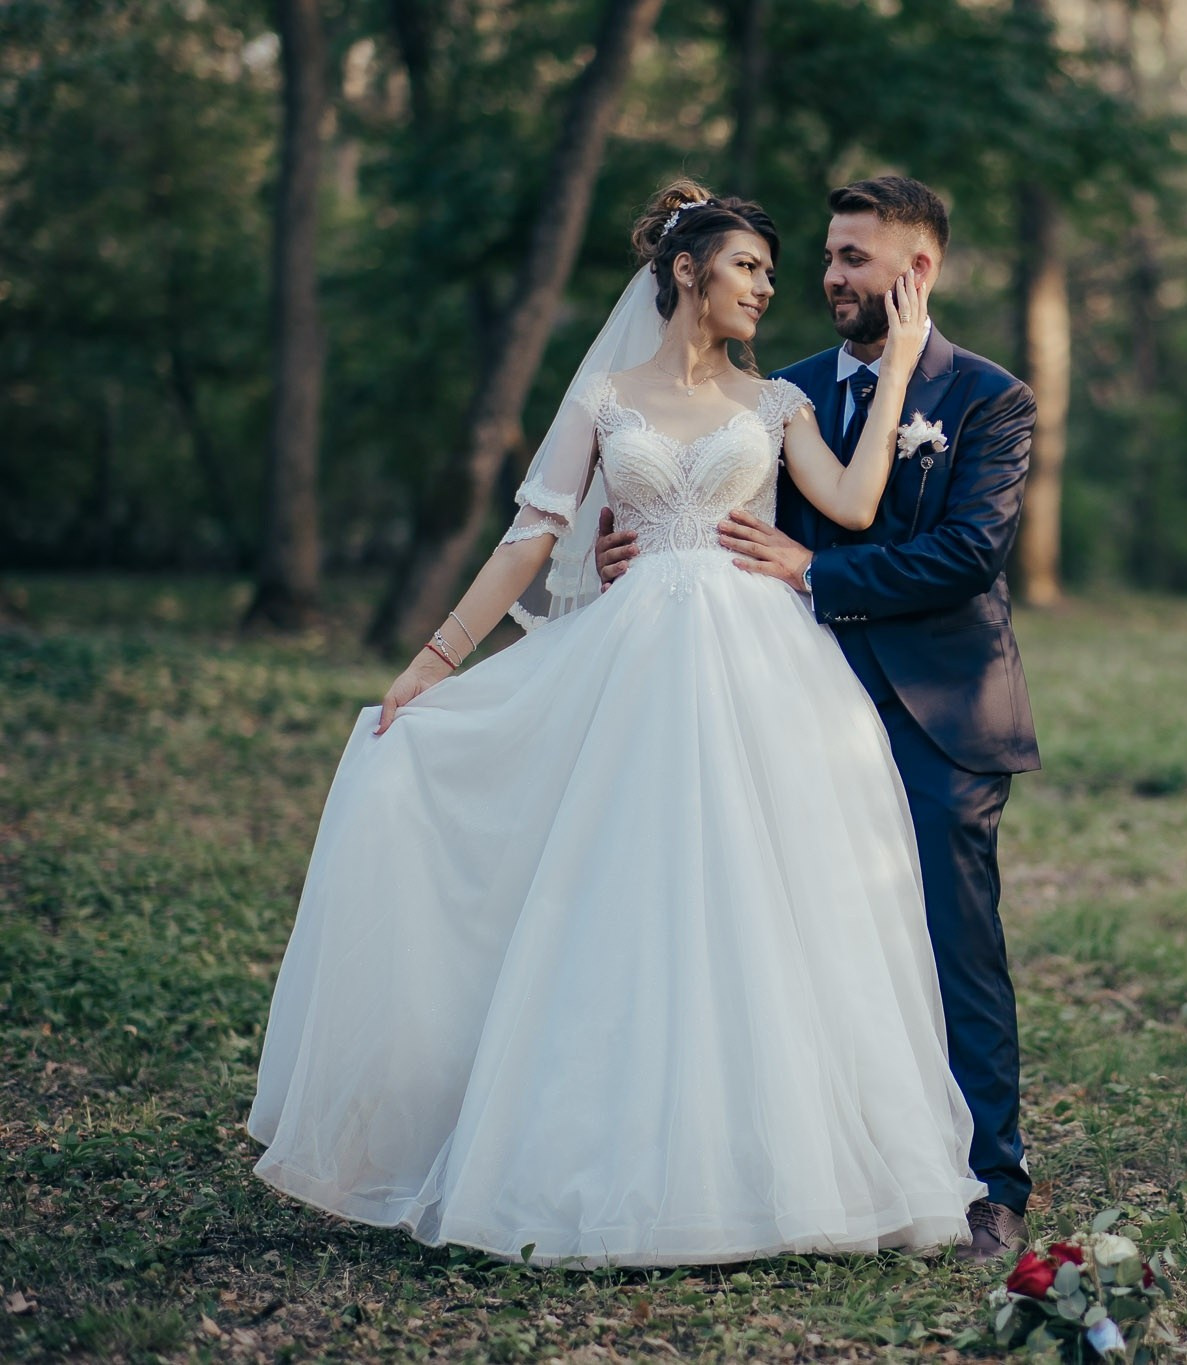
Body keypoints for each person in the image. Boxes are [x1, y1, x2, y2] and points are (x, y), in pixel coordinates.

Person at [245, 179, 990, 1268]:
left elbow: (853, 509)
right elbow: (530, 539)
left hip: (762, 668)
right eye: (748, 269)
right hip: (635, 664)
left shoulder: (774, 404)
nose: (767, 290)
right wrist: (431, 661)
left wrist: (892, 385)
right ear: (688, 273)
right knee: (626, 898)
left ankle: (775, 1162)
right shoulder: (602, 399)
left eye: (774, 276)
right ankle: (606, 1154)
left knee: (764, 901)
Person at [595, 175, 1040, 1262]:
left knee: (949, 940)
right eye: (828, 258)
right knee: (806, 941)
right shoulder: (776, 392)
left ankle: (988, 1180)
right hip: (789, 705)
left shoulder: (987, 397)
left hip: (939, 712)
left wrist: (816, 567)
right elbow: (718, 516)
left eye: (852, 259)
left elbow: (966, 554)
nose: (828, 278)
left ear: (915, 271)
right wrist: (631, 546)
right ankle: (830, 1160)